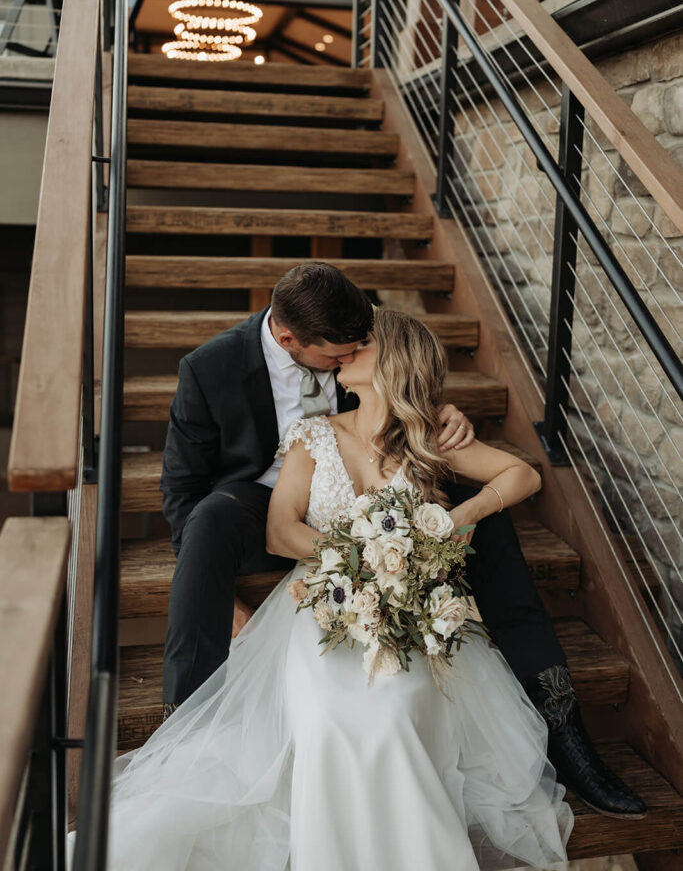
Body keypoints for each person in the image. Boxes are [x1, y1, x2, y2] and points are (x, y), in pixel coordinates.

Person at [160, 262, 646, 819]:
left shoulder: (351, 331)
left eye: (357, 346)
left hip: (384, 483)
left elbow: (403, 389)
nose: (347, 357)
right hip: (262, 500)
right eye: (338, 353)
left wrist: (442, 421)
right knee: (206, 519)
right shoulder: (209, 368)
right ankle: (187, 726)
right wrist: (224, 595)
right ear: (290, 339)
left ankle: (564, 726)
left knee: (491, 522)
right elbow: (181, 488)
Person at [106, 308, 573, 870]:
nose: (349, 348)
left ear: (392, 360)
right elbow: (281, 533)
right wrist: (360, 556)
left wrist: (454, 520)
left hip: (404, 609)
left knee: (397, 709)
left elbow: (523, 475)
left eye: (364, 343)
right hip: (320, 605)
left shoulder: (428, 437)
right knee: (329, 716)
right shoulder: (314, 434)